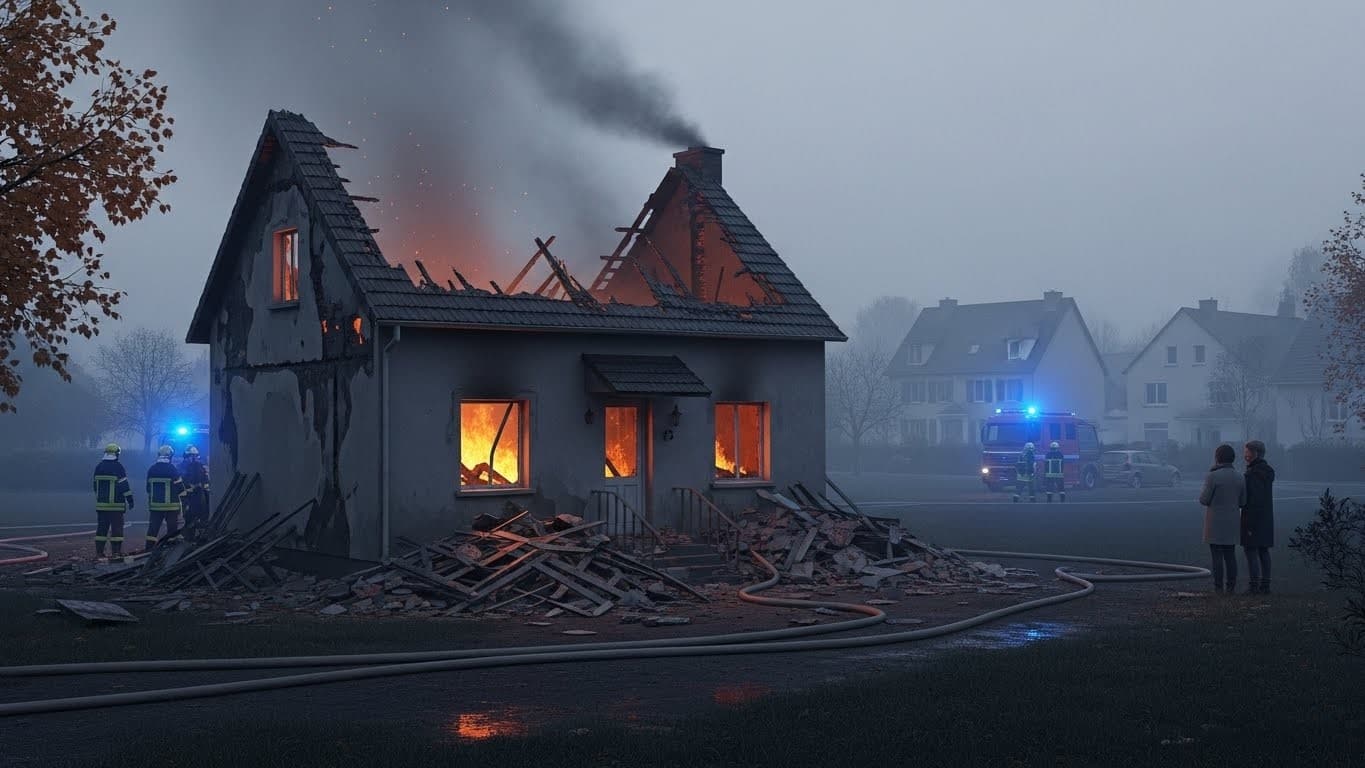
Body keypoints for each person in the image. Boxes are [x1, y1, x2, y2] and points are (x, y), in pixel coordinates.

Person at [1199, 444, 1245, 594]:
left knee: (1216, 556)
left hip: (1215, 522)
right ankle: (1231, 586)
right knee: (1230, 555)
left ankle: (1218, 587)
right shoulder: (1240, 477)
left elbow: (1204, 499)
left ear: (1217, 457)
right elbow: (1243, 502)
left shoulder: (1213, 476)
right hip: (1232, 521)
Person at [1241, 440, 1275, 594]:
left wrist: (1248, 522)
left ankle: (1254, 585)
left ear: (1255, 453)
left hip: (1253, 516)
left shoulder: (1253, 474)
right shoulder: (1267, 471)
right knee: (1263, 550)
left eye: (1247, 452)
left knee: (1251, 550)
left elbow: (1253, 499)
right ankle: (1265, 584)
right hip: (1266, 517)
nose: (1245, 455)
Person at [92, 443, 133, 558]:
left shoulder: (99, 467)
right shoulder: (118, 467)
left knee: (101, 530)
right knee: (117, 530)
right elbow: (124, 485)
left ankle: (99, 553)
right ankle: (116, 552)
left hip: (101, 506)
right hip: (116, 506)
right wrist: (130, 500)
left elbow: (95, 486)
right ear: (117, 454)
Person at [145, 445, 186, 549]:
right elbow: (180, 488)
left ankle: (148, 549)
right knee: (172, 529)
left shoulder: (152, 469)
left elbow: (148, 488)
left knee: (153, 529)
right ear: (170, 456)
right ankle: (170, 549)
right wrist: (186, 501)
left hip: (155, 506)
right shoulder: (172, 469)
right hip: (171, 507)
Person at [179, 446, 211, 537]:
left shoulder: (200, 466)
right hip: (187, 497)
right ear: (186, 456)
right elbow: (181, 481)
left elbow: (205, 479)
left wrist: (204, 487)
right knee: (189, 517)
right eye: (192, 456)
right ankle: (188, 536)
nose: (194, 458)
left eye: (195, 456)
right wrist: (191, 487)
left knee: (202, 516)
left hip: (199, 496)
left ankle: (200, 536)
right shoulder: (181, 467)